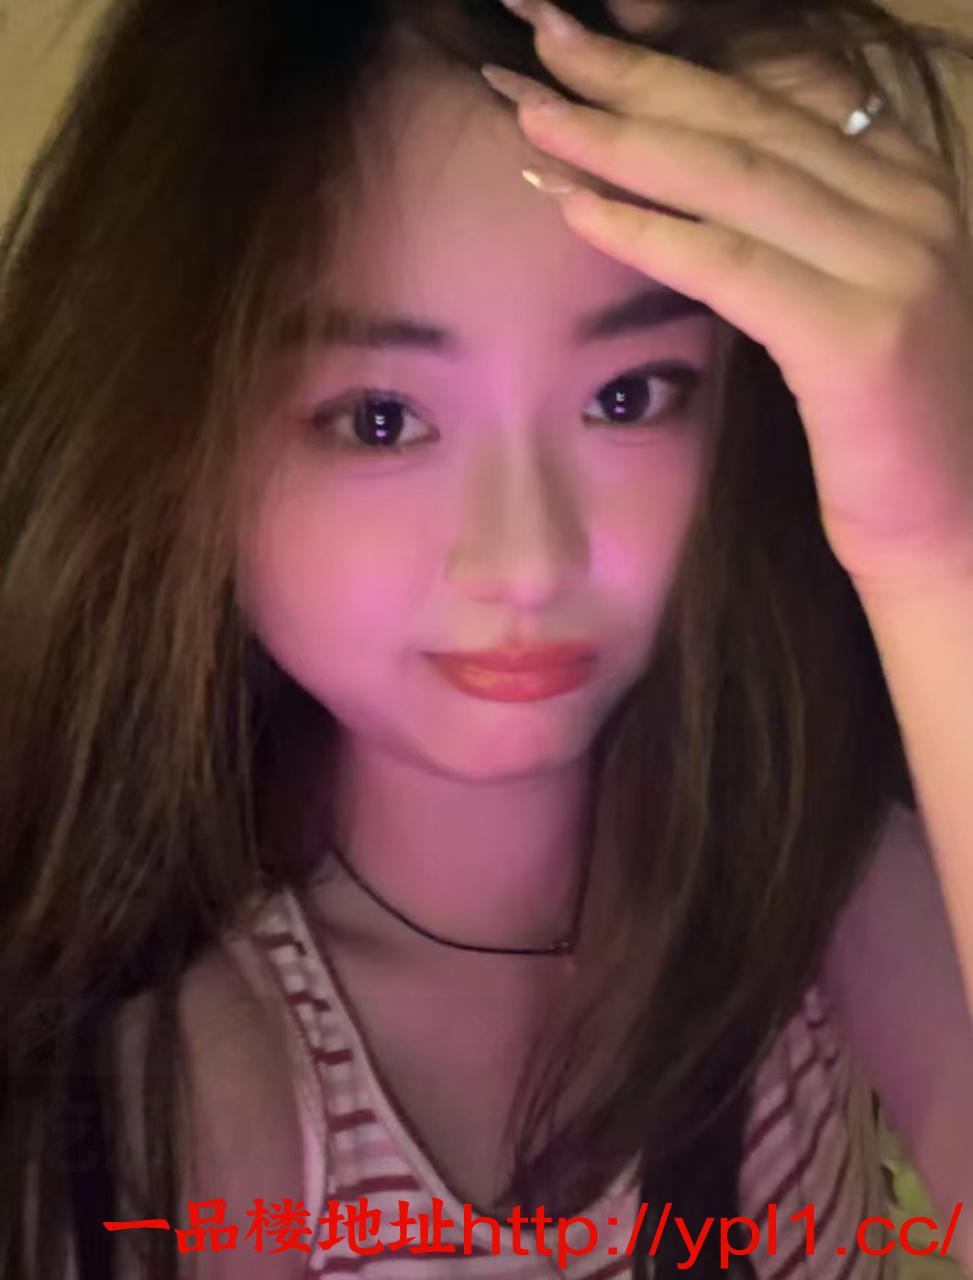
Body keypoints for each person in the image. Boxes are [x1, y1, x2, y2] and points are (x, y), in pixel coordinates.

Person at [1, 0, 971, 1277]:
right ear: (176, 439)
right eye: (379, 418)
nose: (524, 561)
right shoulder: (185, 1093)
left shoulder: (813, 880)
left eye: (628, 396)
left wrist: (933, 544)